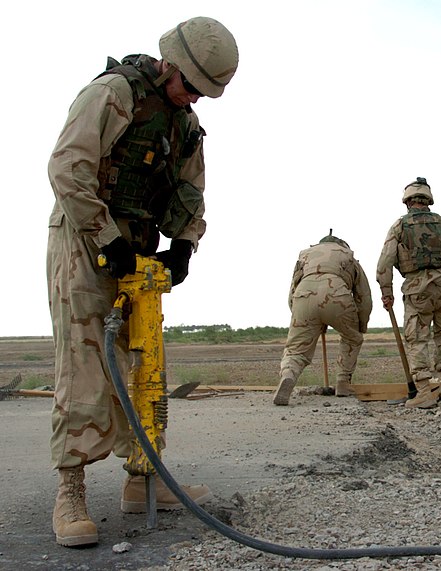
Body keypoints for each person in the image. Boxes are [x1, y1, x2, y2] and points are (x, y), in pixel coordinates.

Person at [46, 17, 239, 547]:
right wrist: (105, 238)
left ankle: (144, 477)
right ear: (170, 65)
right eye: (192, 86)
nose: (196, 98)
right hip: (86, 237)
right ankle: (71, 491)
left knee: (145, 360)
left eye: (205, 93)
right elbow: (67, 168)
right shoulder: (111, 95)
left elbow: (191, 189)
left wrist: (183, 244)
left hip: (139, 244)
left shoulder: (184, 123)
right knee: (85, 361)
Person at [376, 177, 441, 408]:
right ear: (428, 200)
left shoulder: (399, 226)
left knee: (418, 339)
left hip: (418, 289)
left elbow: (385, 263)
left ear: (407, 202)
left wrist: (387, 292)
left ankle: (424, 392)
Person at [275, 233, 373, 405]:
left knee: (296, 349)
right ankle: (343, 383)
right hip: (337, 294)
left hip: (304, 295)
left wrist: (300, 317)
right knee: (352, 338)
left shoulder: (304, 255)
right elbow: (363, 296)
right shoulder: (348, 256)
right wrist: (361, 326)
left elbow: (293, 289)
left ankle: (289, 374)